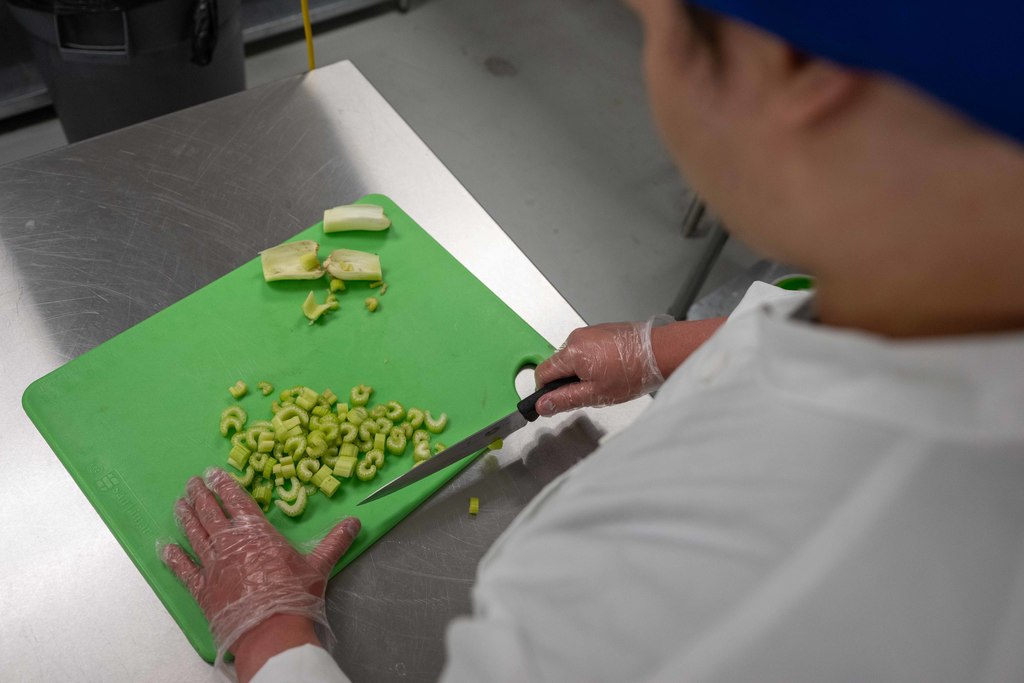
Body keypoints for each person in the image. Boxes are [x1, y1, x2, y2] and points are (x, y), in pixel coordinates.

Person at [163, 0, 1024, 680]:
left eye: (652, 23)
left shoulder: (634, 588)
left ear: (790, 64)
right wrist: (671, 351)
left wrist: (274, 639)